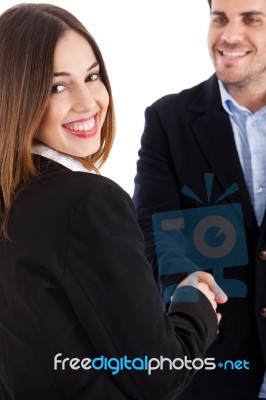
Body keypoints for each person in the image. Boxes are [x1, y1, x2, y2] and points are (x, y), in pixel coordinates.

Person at [0, 3, 227, 399]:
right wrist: (196, 304)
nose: (89, 103)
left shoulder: (13, 198)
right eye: (58, 85)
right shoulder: (87, 203)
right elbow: (157, 373)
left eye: (92, 77)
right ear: (17, 96)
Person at [133, 0, 266, 399]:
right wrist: (183, 286)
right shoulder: (168, 120)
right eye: (219, 18)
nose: (229, 35)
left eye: (251, 19)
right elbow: (155, 229)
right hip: (214, 367)